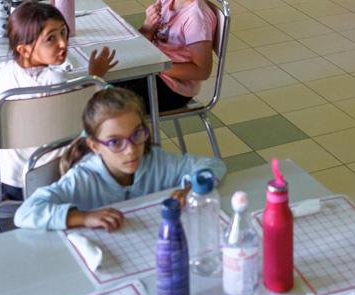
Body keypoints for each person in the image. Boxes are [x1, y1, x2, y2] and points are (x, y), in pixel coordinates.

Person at [13, 87, 225, 231]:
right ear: (95, 146)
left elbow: (215, 165)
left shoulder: (157, 162)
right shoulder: (83, 178)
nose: (130, 150)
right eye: (115, 142)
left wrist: (191, 187)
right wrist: (84, 218)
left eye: (137, 134)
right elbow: (25, 213)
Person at [0, 2, 116, 200]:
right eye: (51, 38)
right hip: (57, 178)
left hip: (12, 184)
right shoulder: (60, 82)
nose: (63, 43)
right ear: (24, 50)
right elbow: (90, 112)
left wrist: (12, 136)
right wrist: (95, 76)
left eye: (63, 32)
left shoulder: (3, 71)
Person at [114, 0, 217, 114]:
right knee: (98, 82)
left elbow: (202, 71)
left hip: (173, 88)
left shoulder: (196, 18)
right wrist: (148, 25)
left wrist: (158, 66)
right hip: (154, 71)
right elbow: (143, 41)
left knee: (108, 100)